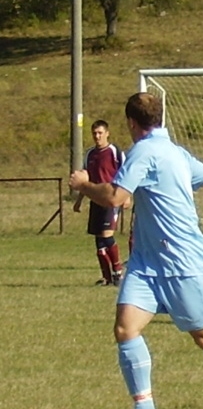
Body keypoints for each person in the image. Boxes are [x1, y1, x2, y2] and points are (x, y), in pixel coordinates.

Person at [68, 93, 203, 409]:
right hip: (147, 264)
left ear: (131, 123)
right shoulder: (175, 151)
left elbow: (115, 198)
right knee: (125, 328)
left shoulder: (147, 151)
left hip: (183, 261)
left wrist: (83, 184)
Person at [73, 119, 127, 286]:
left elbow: (126, 173)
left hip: (111, 198)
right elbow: (85, 179)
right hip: (95, 199)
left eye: (100, 133)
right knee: (98, 239)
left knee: (106, 235)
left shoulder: (114, 151)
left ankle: (118, 272)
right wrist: (79, 201)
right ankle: (106, 277)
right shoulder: (90, 154)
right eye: (95, 133)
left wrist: (127, 196)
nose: (97, 136)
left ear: (107, 133)